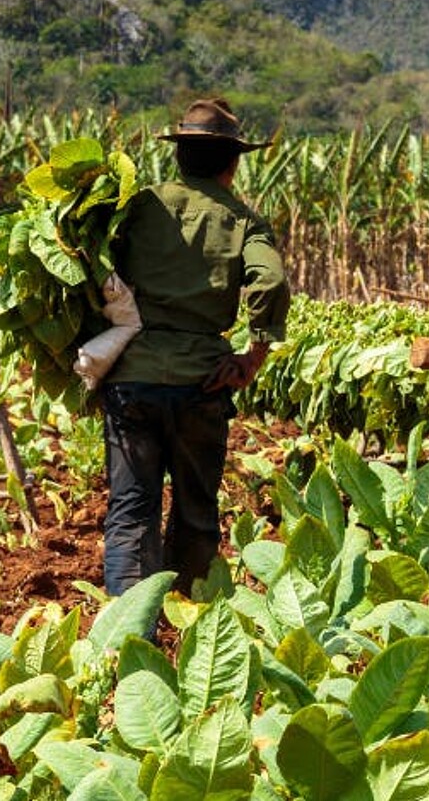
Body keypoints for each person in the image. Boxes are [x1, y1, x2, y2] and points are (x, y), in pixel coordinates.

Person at [100, 97, 290, 597]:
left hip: (132, 379)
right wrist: (254, 355)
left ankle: (129, 636)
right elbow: (270, 282)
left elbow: (92, 270)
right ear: (233, 163)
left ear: (179, 157)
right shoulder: (243, 220)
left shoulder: (138, 208)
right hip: (200, 387)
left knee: (130, 511)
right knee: (195, 512)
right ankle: (188, 630)